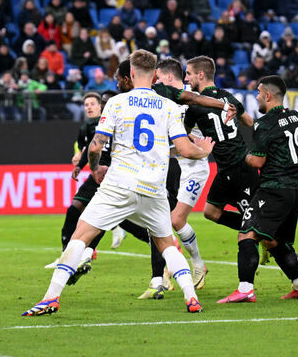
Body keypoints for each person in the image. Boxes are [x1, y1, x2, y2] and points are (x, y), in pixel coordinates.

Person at [22, 50, 215, 316]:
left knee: (81, 235)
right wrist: (204, 150)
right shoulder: (168, 107)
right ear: (155, 76)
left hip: (120, 183)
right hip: (154, 188)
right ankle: (191, 298)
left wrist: (94, 169)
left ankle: (50, 298)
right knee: (166, 245)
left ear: (131, 73)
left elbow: (95, 146)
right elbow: (185, 149)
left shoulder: (116, 103)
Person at [219, 76, 298, 303]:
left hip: (272, 190)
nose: (257, 97)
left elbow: (257, 161)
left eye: (259, 93)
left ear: (268, 96)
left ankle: (245, 289)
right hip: (294, 192)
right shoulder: (297, 118)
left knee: (247, 234)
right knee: (273, 241)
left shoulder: (265, 123)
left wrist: (246, 156)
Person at [44, 92, 154, 270]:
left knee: (113, 216)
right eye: (86, 104)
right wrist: (80, 165)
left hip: (112, 174)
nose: (90, 107)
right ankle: (69, 255)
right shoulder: (88, 127)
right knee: (78, 210)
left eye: (93, 104)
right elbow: (90, 148)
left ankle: (152, 239)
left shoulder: (118, 120)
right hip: (98, 173)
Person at [183, 56, 258, 234]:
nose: (186, 78)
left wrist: (195, 139)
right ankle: (253, 230)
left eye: (189, 74)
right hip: (227, 168)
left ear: (201, 75)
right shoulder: (228, 97)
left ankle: (258, 234)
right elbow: (249, 121)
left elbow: (182, 133)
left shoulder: (195, 106)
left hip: (238, 168)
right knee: (211, 212)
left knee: (253, 218)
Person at [153, 59, 210, 291]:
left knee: (176, 220)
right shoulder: (163, 102)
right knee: (161, 221)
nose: (156, 82)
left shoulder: (192, 98)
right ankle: (170, 268)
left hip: (194, 166)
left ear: (168, 77)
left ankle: (197, 264)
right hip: (173, 167)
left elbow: (204, 133)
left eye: (158, 78)